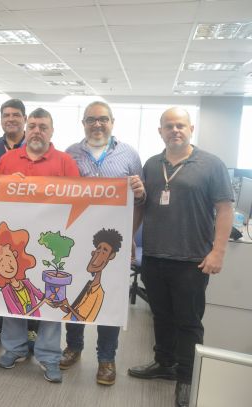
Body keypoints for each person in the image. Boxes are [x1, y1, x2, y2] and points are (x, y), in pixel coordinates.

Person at [128, 107, 233, 407]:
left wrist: (218, 251)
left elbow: (224, 209)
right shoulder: (152, 164)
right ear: (160, 131)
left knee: (188, 322)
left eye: (180, 125)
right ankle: (164, 363)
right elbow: (142, 205)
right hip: (154, 256)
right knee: (160, 316)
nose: (175, 130)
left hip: (192, 260)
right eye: (169, 126)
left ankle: (186, 377)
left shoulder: (211, 164)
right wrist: (128, 240)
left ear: (191, 129)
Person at [0, 107, 80, 383]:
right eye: (32, 126)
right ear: (25, 129)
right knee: (14, 295)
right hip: (14, 243)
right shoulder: (7, 159)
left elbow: (79, 202)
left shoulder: (65, 162)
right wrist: (6, 184)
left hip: (51, 245)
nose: (36, 131)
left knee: (52, 300)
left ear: (52, 131)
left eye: (43, 127)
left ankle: (49, 356)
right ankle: (14, 349)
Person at [62, 101, 145, 385]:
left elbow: (141, 200)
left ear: (112, 122)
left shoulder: (129, 154)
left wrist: (132, 234)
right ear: (83, 123)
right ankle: (73, 347)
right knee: (76, 293)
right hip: (77, 238)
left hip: (114, 242)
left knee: (110, 299)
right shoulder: (70, 154)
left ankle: (106, 358)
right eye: (91, 120)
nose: (97, 124)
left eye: (102, 119)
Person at [0, 99, 38, 348]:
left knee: (28, 275)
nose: (10, 119)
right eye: (6, 115)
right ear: (1, 119)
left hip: (32, 222)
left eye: (15, 115)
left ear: (24, 119)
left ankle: (31, 327)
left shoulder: (37, 148)